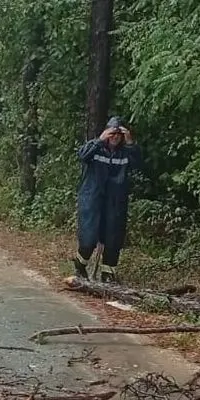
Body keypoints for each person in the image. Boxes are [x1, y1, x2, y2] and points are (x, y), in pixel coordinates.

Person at [73, 116, 140, 284]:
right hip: (92, 200)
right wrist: (99, 140)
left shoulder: (126, 153)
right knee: (88, 239)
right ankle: (80, 265)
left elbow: (139, 163)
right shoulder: (96, 149)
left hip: (115, 202)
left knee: (113, 239)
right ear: (106, 133)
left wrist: (131, 143)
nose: (115, 137)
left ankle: (108, 274)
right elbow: (82, 155)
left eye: (119, 134)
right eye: (112, 133)